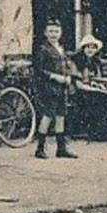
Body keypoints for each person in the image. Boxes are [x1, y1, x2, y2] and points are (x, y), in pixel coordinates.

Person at [33, 18, 78, 159]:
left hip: (62, 86)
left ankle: (61, 148)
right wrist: (54, 76)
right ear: (45, 33)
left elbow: (66, 65)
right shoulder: (43, 49)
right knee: (48, 115)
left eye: (56, 31)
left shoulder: (61, 48)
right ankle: (40, 148)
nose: (54, 34)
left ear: (61, 33)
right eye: (51, 31)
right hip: (49, 87)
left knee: (61, 116)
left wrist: (69, 76)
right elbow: (39, 69)